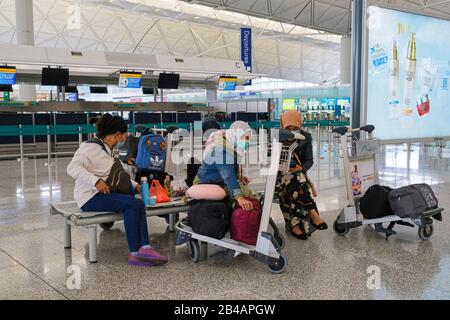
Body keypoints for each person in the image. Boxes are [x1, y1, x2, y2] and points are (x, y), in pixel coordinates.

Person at [67, 113, 168, 267]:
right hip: (89, 197)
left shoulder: (106, 148)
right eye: (124, 135)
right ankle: (135, 254)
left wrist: (136, 186)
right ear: (117, 134)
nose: (124, 139)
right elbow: (72, 168)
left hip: (103, 193)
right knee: (133, 205)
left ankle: (145, 248)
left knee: (138, 204)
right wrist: (96, 182)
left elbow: (113, 174)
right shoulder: (90, 148)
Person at [276, 110, 328, 240]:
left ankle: (294, 225)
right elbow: (270, 158)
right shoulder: (277, 136)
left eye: (295, 128)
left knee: (297, 183)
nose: (292, 131)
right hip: (279, 176)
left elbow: (309, 161)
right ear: (283, 125)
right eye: (289, 128)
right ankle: (312, 213)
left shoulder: (306, 137)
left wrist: (302, 167)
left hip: (298, 175)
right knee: (298, 182)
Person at [195, 120, 254, 211]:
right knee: (244, 192)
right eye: (245, 139)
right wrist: (239, 197)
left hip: (215, 181)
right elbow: (227, 174)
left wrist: (238, 177)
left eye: (247, 139)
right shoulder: (221, 149)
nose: (246, 142)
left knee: (243, 188)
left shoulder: (227, 143)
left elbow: (227, 169)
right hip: (204, 183)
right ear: (236, 136)